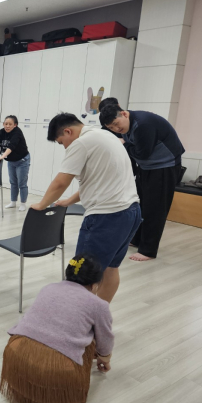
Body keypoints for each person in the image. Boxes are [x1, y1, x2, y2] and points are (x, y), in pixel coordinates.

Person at [30, 113, 141, 303]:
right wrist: (68, 201)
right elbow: (96, 181)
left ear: (68, 131)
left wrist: (41, 204)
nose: (65, 147)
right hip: (131, 212)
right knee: (110, 269)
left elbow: (61, 182)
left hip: (106, 217)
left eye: (61, 142)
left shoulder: (81, 143)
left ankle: (79, 319)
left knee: (81, 276)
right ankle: (98, 316)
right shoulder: (105, 136)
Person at [1, 255, 113, 403]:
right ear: (95, 285)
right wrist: (105, 358)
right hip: (59, 367)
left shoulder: (49, 287)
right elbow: (105, 338)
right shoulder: (99, 305)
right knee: (89, 339)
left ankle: (26, 389)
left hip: (16, 352)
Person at [100, 105, 185, 262]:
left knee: (154, 209)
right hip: (147, 167)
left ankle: (148, 250)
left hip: (164, 167)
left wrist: (124, 144)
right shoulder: (127, 125)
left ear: (124, 114)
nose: (116, 129)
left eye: (116, 124)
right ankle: (137, 239)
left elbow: (142, 153)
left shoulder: (143, 124)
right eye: (111, 127)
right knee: (139, 205)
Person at [0, 115, 30, 211]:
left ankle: (23, 203)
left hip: (22, 160)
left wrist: (2, 156)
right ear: (3, 124)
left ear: (15, 125)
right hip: (11, 161)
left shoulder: (17, 132)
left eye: (10, 124)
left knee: (22, 183)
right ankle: (13, 202)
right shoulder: (1, 132)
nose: (7, 126)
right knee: (13, 182)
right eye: (6, 124)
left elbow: (11, 146)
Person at [98, 98, 138, 176]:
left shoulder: (130, 120)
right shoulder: (104, 129)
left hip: (130, 162)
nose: (116, 128)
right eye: (111, 127)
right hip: (114, 165)